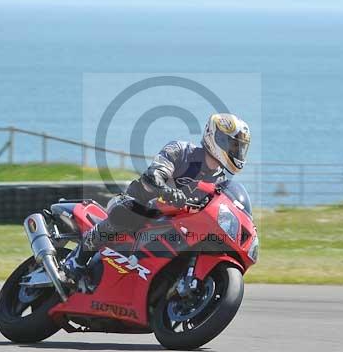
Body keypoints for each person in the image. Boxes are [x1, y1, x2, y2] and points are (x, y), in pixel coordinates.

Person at [63, 113, 251, 282]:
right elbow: (155, 173)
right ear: (217, 138)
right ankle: (77, 258)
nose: (236, 151)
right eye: (233, 145)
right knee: (127, 213)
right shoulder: (182, 151)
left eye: (239, 147)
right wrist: (165, 188)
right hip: (142, 204)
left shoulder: (220, 181)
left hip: (174, 221)